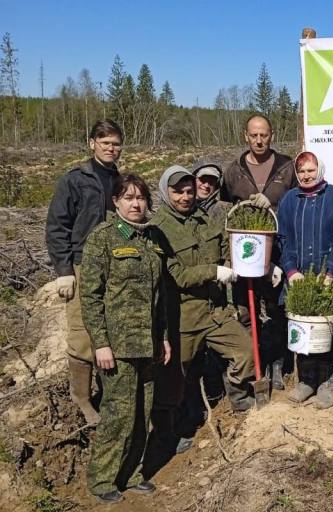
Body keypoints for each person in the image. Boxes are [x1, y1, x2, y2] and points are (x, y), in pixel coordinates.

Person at [151, 165, 257, 452]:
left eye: (189, 191)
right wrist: (214, 271)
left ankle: (239, 396)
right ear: (166, 192)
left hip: (216, 310)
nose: (186, 197)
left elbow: (225, 250)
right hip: (184, 316)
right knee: (176, 376)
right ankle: (176, 427)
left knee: (245, 352)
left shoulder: (204, 217)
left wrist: (256, 264)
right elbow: (176, 275)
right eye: (178, 192)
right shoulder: (158, 228)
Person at [79, 174, 171, 503]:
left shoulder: (151, 239)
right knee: (117, 415)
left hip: (147, 344)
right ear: (116, 201)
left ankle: (131, 474)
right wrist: (100, 342)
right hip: (116, 347)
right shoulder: (103, 239)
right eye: (128, 198)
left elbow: (158, 297)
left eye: (141, 198)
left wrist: (162, 338)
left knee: (141, 413)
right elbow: (90, 297)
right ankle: (102, 479)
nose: (136, 204)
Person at [46, 119, 125, 426]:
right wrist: (64, 270)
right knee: (81, 333)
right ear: (92, 143)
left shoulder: (118, 179)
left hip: (112, 265)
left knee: (108, 327)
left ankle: (108, 391)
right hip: (81, 264)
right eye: (105, 142)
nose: (111, 148)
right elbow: (57, 226)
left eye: (116, 143)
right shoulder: (75, 179)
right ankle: (81, 397)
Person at [221, 114, 296, 390]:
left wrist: (274, 207)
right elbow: (227, 212)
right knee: (246, 313)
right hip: (245, 258)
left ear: (272, 135)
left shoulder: (287, 167)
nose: (259, 140)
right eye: (254, 135)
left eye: (264, 134)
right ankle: (256, 363)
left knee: (277, 311)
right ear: (246, 136)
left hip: (277, 255)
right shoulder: (233, 171)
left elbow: (296, 208)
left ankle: (277, 364)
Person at [277, 151, 333, 409]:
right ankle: (306, 380)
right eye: (301, 172)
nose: (306, 176)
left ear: (319, 169)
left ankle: (327, 383)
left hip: (327, 276)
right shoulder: (289, 200)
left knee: (328, 329)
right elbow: (283, 239)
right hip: (299, 276)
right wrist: (290, 271)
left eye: (311, 170)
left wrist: (330, 271)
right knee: (302, 326)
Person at [192, 160, 232, 226]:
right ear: (193, 179)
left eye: (211, 182)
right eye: (203, 180)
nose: (206, 185)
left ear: (216, 186)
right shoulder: (180, 206)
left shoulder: (224, 210)